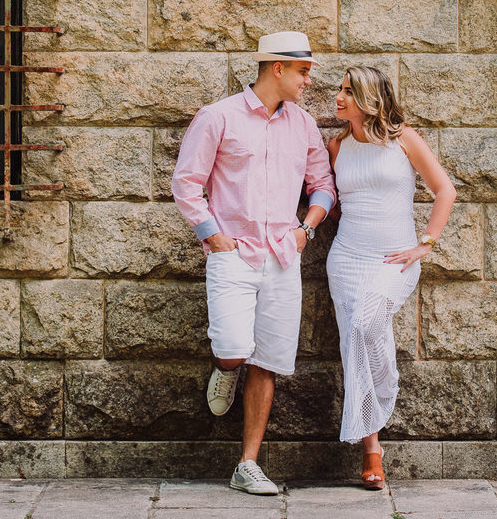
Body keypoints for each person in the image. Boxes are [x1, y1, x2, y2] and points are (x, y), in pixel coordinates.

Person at [172, 31, 336, 495]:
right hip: (234, 254)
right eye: (303, 72)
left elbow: (322, 184)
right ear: (277, 68)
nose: (308, 81)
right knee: (233, 346)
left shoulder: (303, 125)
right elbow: (186, 184)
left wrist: (306, 230)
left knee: (268, 361)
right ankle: (225, 368)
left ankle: (247, 464)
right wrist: (216, 238)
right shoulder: (218, 117)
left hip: (284, 256)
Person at [327, 65, 456, 490]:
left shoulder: (404, 139)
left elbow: (445, 190)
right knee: (354, 343)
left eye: (348, 91)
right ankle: (372, 451)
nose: (338, 97)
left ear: (370, 98)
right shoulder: (336, 146)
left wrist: (426, 243)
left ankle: (381, 399)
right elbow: (338, 203)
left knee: (368, 325)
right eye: (340, 90)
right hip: (346, 258)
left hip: (393, 260)